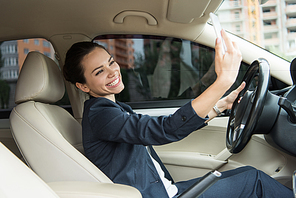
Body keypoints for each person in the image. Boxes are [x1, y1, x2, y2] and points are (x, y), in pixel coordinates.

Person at [63, 30, 293, 198]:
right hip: (162, 196)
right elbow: (164, 129)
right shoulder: (100, 115)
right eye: (99, 71)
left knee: (247, 174)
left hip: (166, 191)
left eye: (111, 62)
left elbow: (159, 127)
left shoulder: (113, 110)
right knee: (255, 182)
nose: (113, 71)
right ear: (83, 86)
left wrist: (220, 106)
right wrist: (223, 81)